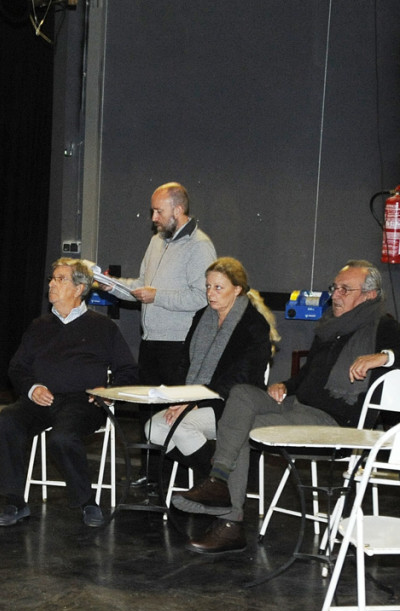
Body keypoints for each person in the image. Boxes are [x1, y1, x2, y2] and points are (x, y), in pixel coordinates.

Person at [172, 260, 400, 554]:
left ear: (369, 295)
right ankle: (218, 482)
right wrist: (286, 385)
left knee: (239, 427)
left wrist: (383, 358)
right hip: (297, 404)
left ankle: (230, 522)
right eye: (335, 287)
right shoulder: (331, 327)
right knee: (241, 395)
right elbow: (308, 375)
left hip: (334, 422)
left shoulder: (383, 326)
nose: (336, 294)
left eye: (345, 289)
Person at [0, 258, 138, 528]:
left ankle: (87, 502)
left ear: (79, 288)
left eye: (60, 279)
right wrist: (33, 388)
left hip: (83, 402)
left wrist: (108, 392)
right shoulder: (39, 326)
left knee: (62, 437)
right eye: (52, 278)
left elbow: (128, 369)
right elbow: (17, 367)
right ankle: (15, 500)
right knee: (7, 420)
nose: (51, 283)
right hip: (42, 400)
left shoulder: (103, 327)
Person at [145, 257, 280, 475]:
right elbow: (184, 363)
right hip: (195, 398)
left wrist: (196, 402)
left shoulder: (253, 325)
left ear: (237, 289)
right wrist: (180, 398)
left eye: (218, 287)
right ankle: (213, 475)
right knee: (153, 429)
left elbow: (242, 376)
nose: (210, 293)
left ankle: (216, 481)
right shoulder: (202, 317)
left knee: (181, 427)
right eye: (208, 286)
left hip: (233, 404)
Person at [106, 182, 217, 384]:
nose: (154, 218)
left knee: (172, 413)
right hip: (149, 342)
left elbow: (203, 297)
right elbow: (142, 284)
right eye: (153, 211)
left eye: (159, 211)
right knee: (147, 414)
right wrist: (112, 286)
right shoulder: (156, 241)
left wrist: (157, 296)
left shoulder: (199, 245)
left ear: (178, 210)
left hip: (179, 345)